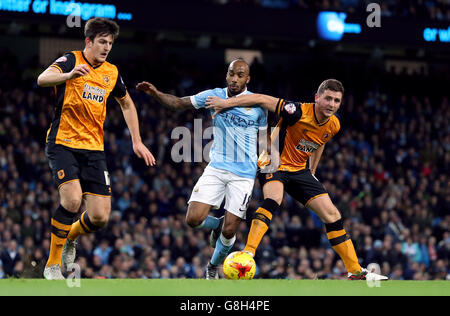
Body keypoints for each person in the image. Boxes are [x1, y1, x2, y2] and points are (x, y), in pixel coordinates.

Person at [205, 79, 388, 280]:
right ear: (317, 98)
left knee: (333, 215)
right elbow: (261, 98)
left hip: (300, 171)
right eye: (328, 99)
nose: (332, 104)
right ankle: (248, 252)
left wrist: (313, 169)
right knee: (275, 198)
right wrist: (225, 103)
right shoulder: (297, 111)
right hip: (273, 162)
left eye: (336, 101)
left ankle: (355, 271)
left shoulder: (334, 124)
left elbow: (320, 140)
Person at [37, 17, 156, 280]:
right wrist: (67, 76)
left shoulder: (111, 73)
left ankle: (71, 238)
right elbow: (43, 78)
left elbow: (127, 104)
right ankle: (52, 265)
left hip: (93, 149)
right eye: (102, 42)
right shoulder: (72, 60)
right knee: (71, 200)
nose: (106, 47)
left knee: (100, 217)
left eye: (110, 43)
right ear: (88, 41)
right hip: (62, 143)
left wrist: (137, 140)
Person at [136, 59, 267, 279]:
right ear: (226, 75)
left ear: (248, 79)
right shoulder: (214, 95)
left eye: (240, 75)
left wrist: (268, 162)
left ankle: (213, 266)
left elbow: (264, 140)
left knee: (230, 230)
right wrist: (155, 93)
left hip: (243, 175)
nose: (234, 79)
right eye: (231, 73)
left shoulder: (257, 105)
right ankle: (215, 224)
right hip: (216, 167)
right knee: (193, 220)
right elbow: (178, 103)